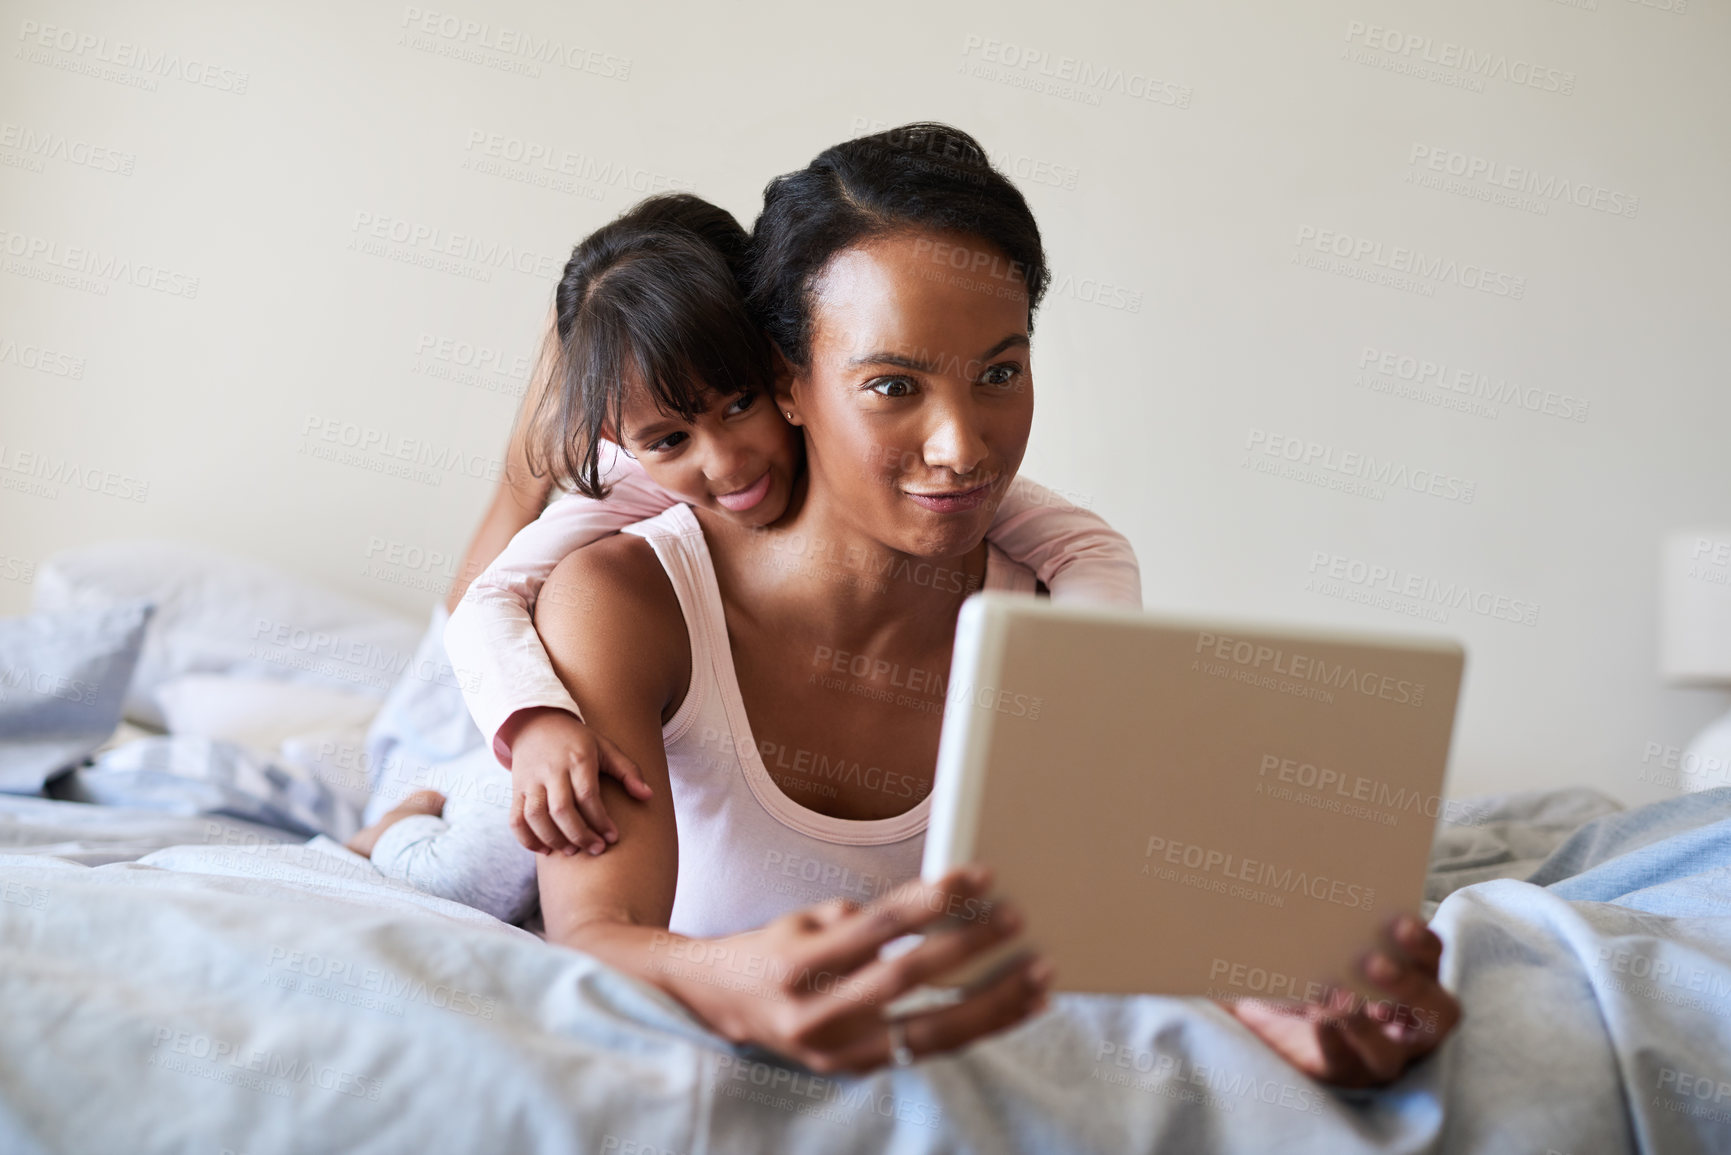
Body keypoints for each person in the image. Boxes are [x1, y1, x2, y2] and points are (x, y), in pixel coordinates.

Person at [526, 123, 1461, 1084]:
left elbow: (1117, 910)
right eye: (892, 385)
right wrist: (727, 975)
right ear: (784, 383)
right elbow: (593, 935)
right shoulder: (625, 601)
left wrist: (1283, 1012)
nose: (962, 448)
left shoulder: (1060, 612)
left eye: (999, 374)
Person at [347, 191, 1142, 923]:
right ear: (622, 442)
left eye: (739, 406)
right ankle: (391, 824)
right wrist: (537, 722)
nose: (726, 464)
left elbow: (1088, 545)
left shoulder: (940, 484)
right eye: (671, 438)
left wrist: (1090, 683)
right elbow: (489, 600)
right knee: (482, 851)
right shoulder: (628, 492)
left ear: (780, 372)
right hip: (493, 705)